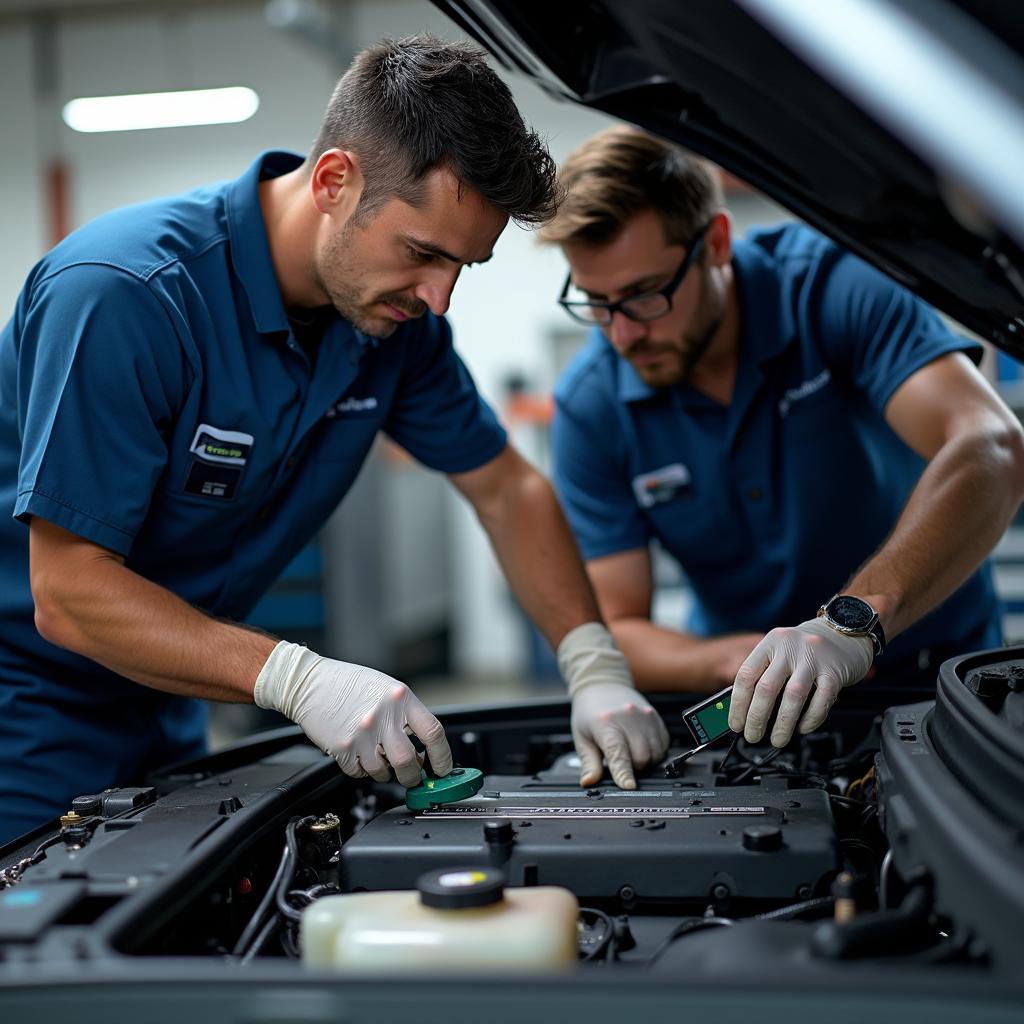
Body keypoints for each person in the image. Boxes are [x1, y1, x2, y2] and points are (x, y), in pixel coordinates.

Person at [0, 39, 669, 844]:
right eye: (423, 254)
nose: (439, 298)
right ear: (332, 182)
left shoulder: (392, 327)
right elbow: (69, 591)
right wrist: (296, 675)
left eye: (464, 266)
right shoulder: (125, 297)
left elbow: (506, 487)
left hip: (163, 700)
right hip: (22, 709)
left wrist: (591, 664)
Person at [542, 124, 1024, 750]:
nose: (622, 335)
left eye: (643, 296)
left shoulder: (834, 288)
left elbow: (993, 446)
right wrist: (726, 661)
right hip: (760, 706)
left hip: (940, 678)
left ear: (715, 243)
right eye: (595, 302)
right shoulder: (593, 404)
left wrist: (849, 626)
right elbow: (621, 624)